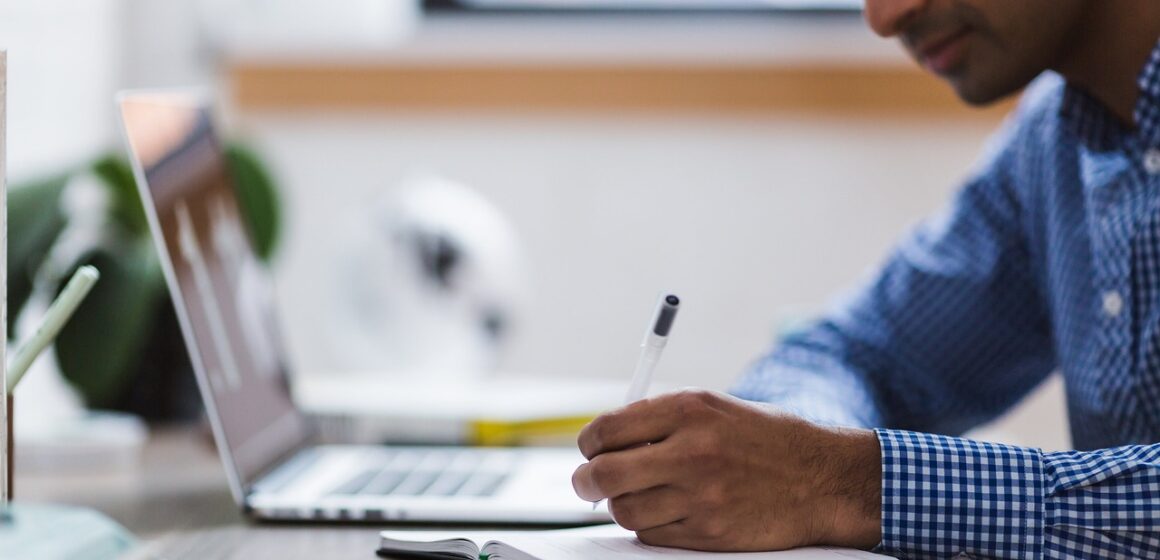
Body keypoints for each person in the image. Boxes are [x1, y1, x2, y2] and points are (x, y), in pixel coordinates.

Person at [571, 1, 1160, 558]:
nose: (885, 18)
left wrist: (845, 482)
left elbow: (834, 472)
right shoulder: (1054, 140)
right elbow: (855, 354)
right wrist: (787, 449)